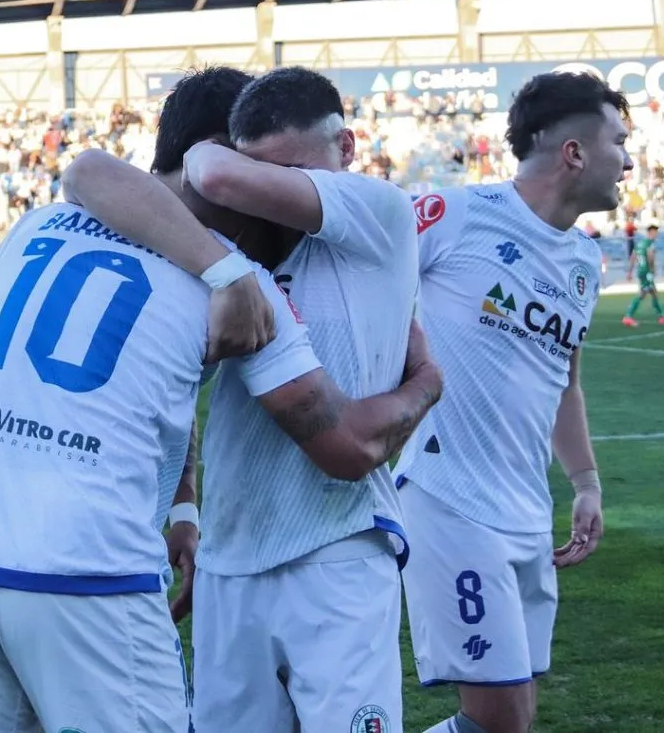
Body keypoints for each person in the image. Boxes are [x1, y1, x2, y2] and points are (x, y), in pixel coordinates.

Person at [0, 68, 440, 733]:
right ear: (219, 160)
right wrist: (427, 381)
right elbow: (344, 443)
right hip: (88, 571)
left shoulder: (39, 224)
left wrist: (182, 505)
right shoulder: (237, 283)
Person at [66, 66, 438, 733]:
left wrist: (427, 384)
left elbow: (212, 175)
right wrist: (185, 506)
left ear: (346, 148)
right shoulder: (232, 259)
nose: (274, 195)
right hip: (228, 563)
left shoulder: (376, 211)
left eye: (292, 173)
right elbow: (179, 389)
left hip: (337, 551)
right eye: (262, 174)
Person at [393, 72, 632, 733]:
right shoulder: (455, 214)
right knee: (498, 715)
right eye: (619, 142)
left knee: (512, 719)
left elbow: (565, 381)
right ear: (574, 153)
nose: (629, 161)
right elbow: (359, 286)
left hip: (527, 510)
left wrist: (585, 483)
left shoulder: (584, 261)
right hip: (449, 496)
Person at [623, 224, 664, 327]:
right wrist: (652, 270)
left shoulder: (640, 244)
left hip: (641, 271)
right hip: (646, 272)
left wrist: (630, 272)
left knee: (654, 292)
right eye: (655, 232)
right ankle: (628, 317)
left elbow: (633, 257)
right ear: (651, 233)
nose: (657, 234)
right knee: (642, 294)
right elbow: (650, 256)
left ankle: (662, 316)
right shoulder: (649, 244)